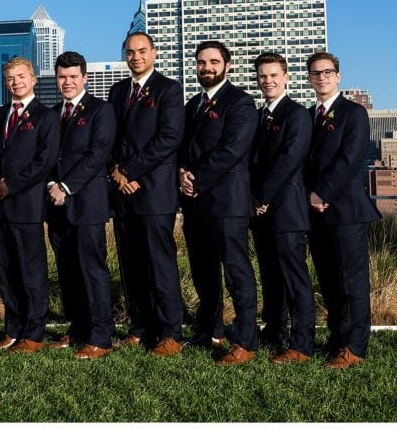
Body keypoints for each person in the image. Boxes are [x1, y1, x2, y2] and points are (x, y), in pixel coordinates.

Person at [178, 40, 259, 366]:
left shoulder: (240, 103)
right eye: (201, 62)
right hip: (196, 205)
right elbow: (182, 146)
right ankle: (209, 330)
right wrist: (181, 171)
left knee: (236, 272)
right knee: (203, 271)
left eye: (213, 62)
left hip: (226, 203)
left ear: (228, 65)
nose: (206, 67)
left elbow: (231, 150)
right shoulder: (193, 104)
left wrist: (195, 178)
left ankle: (245, 340)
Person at [107, 32, 185, 356]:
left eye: (142, 51)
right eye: (130, 52)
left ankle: (170, 333)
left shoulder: (168, 89)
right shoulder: (117, 91)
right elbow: (109, 137)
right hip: (123, 193)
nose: (136, 57)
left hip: (154, 192)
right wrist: (114, 169)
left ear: (154, 53)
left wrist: (130, 170)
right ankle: (140, 327)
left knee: (159, 264)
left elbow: (168, 138)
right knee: (131, 264)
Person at [303, 51, 380, 369]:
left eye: (327, 72)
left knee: (353, 281)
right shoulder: (308, 116)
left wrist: (322, 193)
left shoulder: (354, 113)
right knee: (330, 280)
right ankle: (336, 340)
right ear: (309, 79)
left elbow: (350, 160)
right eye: (315, 73)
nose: (322, 77)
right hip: (314, 212)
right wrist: (310, 197)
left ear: (338, 76)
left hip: (345, 211)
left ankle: (354, 347)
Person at [44, 51, 117, 360]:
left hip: (86, 203)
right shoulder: (51, 114)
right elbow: (46, 157)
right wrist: (51, 185)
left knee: (92, 270)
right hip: (56, 205)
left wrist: (66, 187)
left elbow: (97, 155)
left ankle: (101, 336)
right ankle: (77, 329)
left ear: (84, 78)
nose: (67, 82)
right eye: (62, 77)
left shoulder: (101, 110)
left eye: (73, 77)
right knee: (68, 271)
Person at [0, 57, 59, 354]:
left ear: (33, 79)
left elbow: (45, 160)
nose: (16, 82)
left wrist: (13, 185)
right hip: (0, 206)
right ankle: (12, 330)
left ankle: (33, 332)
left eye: (21, 76)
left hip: (27, 205)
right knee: (8, 271)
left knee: (31, 272)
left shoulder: (46, 116)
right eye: (10, 78)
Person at [249, 52, 315, 364]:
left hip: (286, 210)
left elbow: (289, 160)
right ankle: (274, 330)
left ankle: (301, 343)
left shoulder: (297, 114)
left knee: (294, 279)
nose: (268, 81)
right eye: (263, 76)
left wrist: (261, 197)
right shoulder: (261, 116)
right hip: (262, 213)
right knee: (271, 277)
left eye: (274, 75)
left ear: (286, 77)